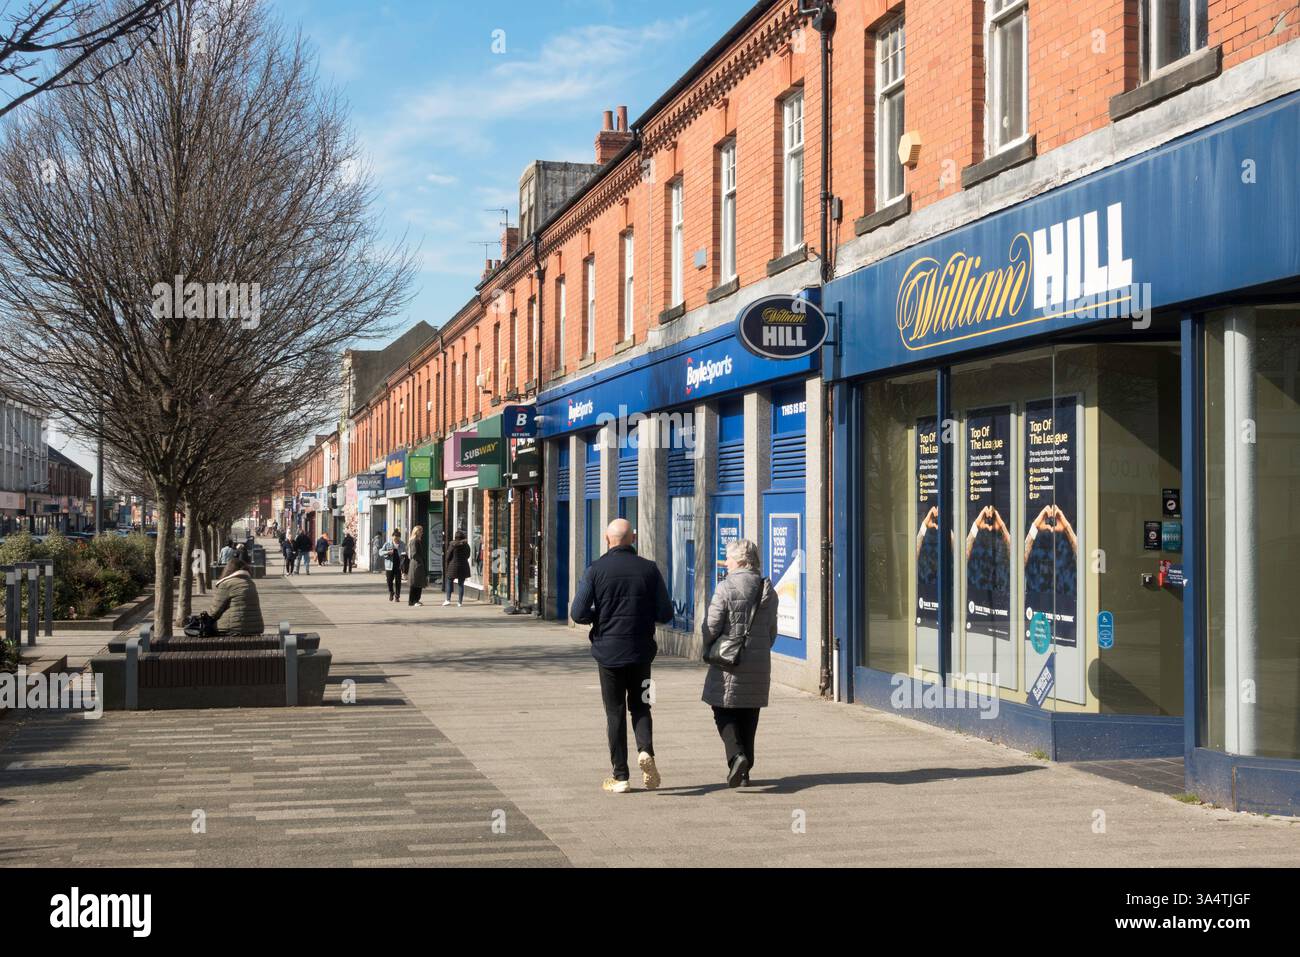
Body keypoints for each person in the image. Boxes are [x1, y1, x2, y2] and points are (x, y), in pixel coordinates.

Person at [569, 518, 673, 793]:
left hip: (608, 654)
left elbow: (578, 612)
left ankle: (620, 776)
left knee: (614, 712)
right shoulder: (650, 570)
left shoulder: (595, 570)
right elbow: (666, 613)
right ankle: (645, 750)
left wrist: (599, 616)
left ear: (607, 539)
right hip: (642, 654)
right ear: (633, 538)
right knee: (642, 705)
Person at [701, 538, 779, 788]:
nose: (726, 562)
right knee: (749, 714)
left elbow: (711, 626)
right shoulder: (768, 589)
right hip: (758, 661)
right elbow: (771, 631)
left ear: (741, 561)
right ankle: (745, 772)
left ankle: (737, 756)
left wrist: (708, 644)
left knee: (722, 709)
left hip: (728, 660)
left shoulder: (725, 587)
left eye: (729, 558)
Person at [209, 558, 265, 636]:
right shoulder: (250, 583)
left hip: (232, 629)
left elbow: (214, 612)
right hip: (255, 628)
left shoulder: (226, 584)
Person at [442, 529, 471, 606]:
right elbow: (468, 555)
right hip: (463, 565)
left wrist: (447, 562)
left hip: (453, 565)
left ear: (455, 537)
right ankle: (460, 602)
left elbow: (448, 556)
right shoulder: (466, 545)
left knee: (449, 581)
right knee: (461, 584)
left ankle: (448, 599)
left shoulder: (452, 544)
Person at [379, 529, 405, 602]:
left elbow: (404, 552)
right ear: (392, 537)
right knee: (389, 581)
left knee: (398, 581)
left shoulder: (402, 544)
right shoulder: (387, 544)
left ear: (399, 537)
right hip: (389, 565)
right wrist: (388, 552)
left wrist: (403, 555)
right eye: (394, 537)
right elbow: (380, 552)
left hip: (398, 565)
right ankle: (391, 592)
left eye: (397, 538)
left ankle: (397, 596)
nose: (396, 539)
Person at [407, 526, 427, 606]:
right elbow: (414, 553)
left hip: (418, 564)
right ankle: (413, 600)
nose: (422, 533)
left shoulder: (417, 540)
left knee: (418, 583)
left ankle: (416, 600)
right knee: (415, 583)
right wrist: (420, 561)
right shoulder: (414, 541)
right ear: (417, 532)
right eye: (421, 531)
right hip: (416, 564)